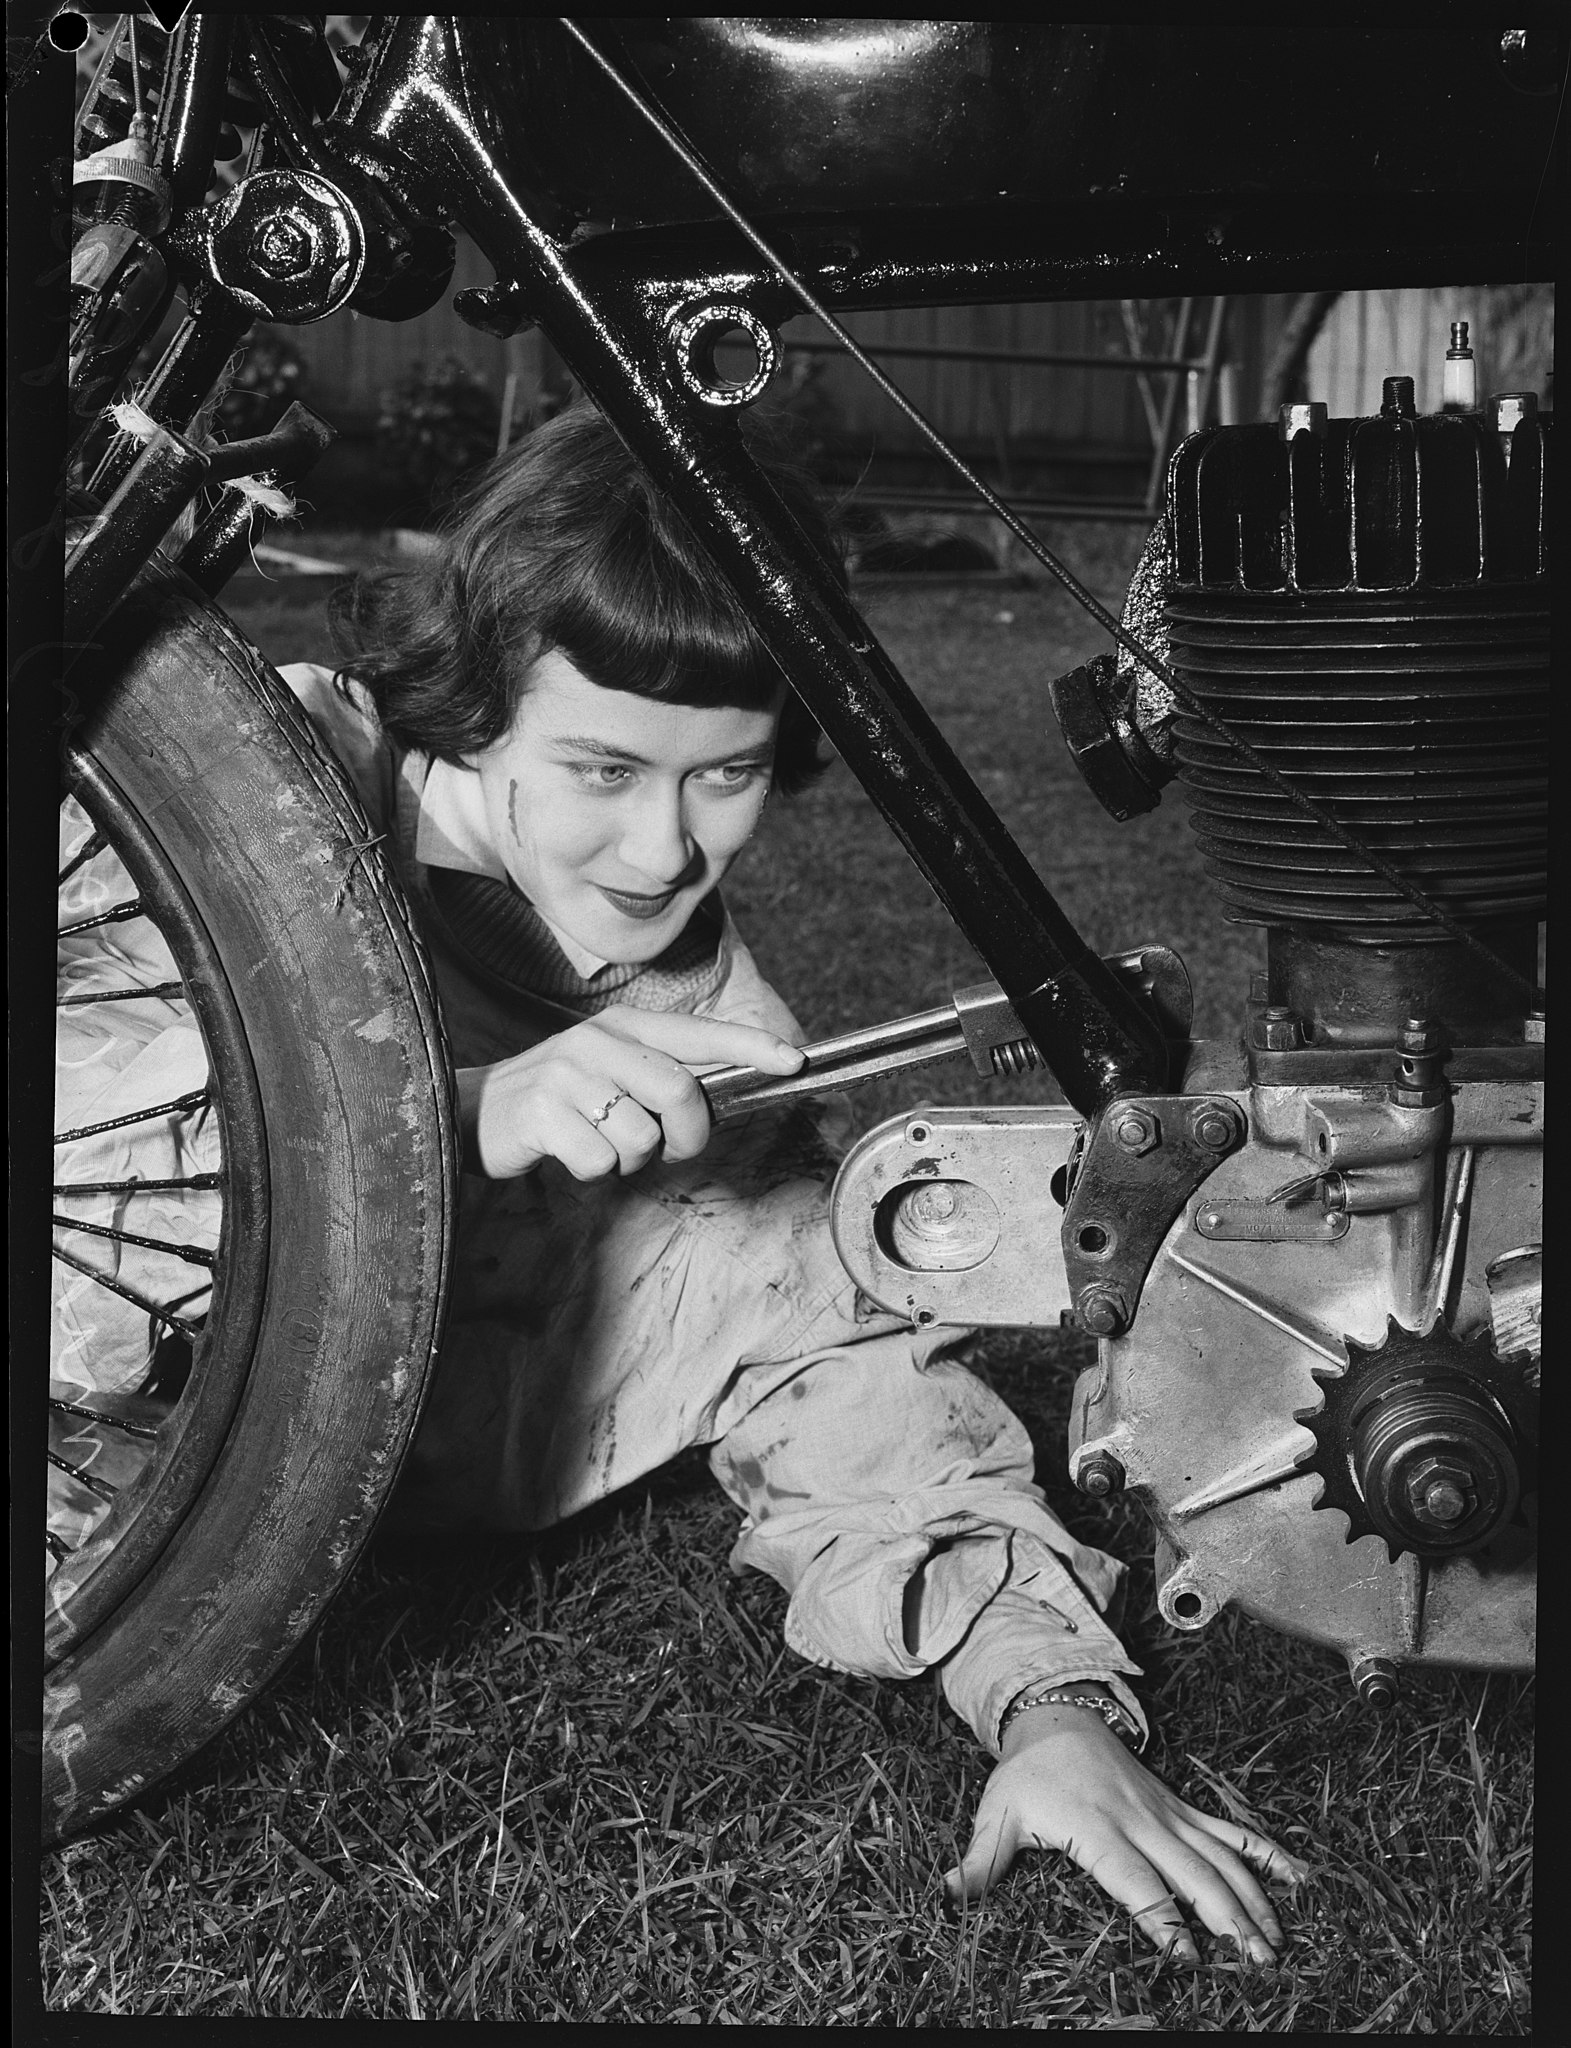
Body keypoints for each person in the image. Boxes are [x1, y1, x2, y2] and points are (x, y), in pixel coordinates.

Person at [63, 400, 1304, 1962]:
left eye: (724, 775)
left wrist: (1049, 1708)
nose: (662, 849)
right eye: (600, 766)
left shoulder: (719, 1069)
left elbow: (855, 1385)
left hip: (362, 1506)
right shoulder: (245, 786)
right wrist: (429, 1118)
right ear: (474, 704)